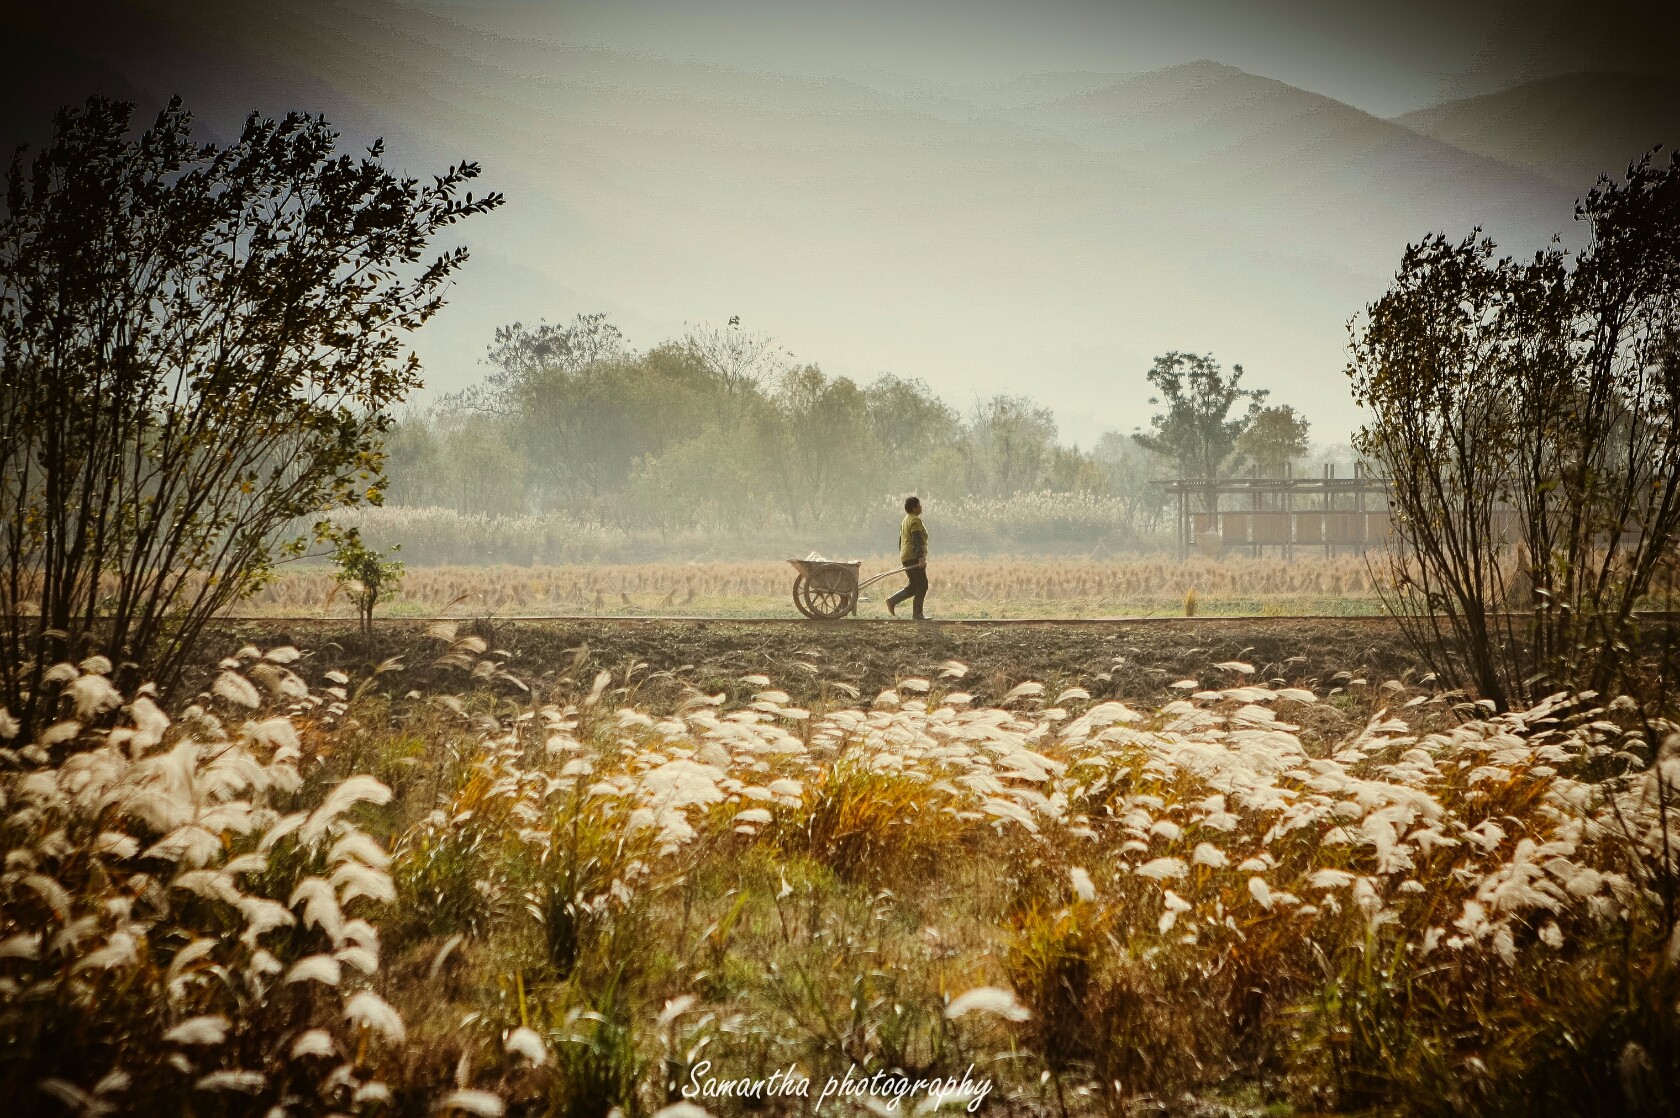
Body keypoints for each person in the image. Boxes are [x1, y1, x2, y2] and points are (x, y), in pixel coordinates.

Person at [887, 496, 929, 620]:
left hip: (906, 555)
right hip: (913, 555)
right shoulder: (915, 520)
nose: (921, 507)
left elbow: (901, 541)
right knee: (922, 585)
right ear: (914, 508)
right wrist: (920, 557)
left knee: (915, 585)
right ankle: (917, 614)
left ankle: (893, 601)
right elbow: (917, 539)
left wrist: (904, 557)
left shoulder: (906, 520)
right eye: (919, 505)